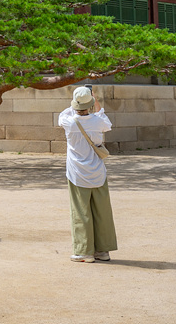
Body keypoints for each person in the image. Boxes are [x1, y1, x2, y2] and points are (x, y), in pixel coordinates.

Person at [58, 86, 117, 263]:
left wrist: (77, 102)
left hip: (77, 172)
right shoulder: (99, 122)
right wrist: (94, 100)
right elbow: (105, 120)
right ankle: (102, 251)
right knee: (102, 212)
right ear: (90, 104)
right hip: (98, 172)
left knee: (81, 212)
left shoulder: (69, 122)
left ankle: (84, 251)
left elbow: (64, 114)